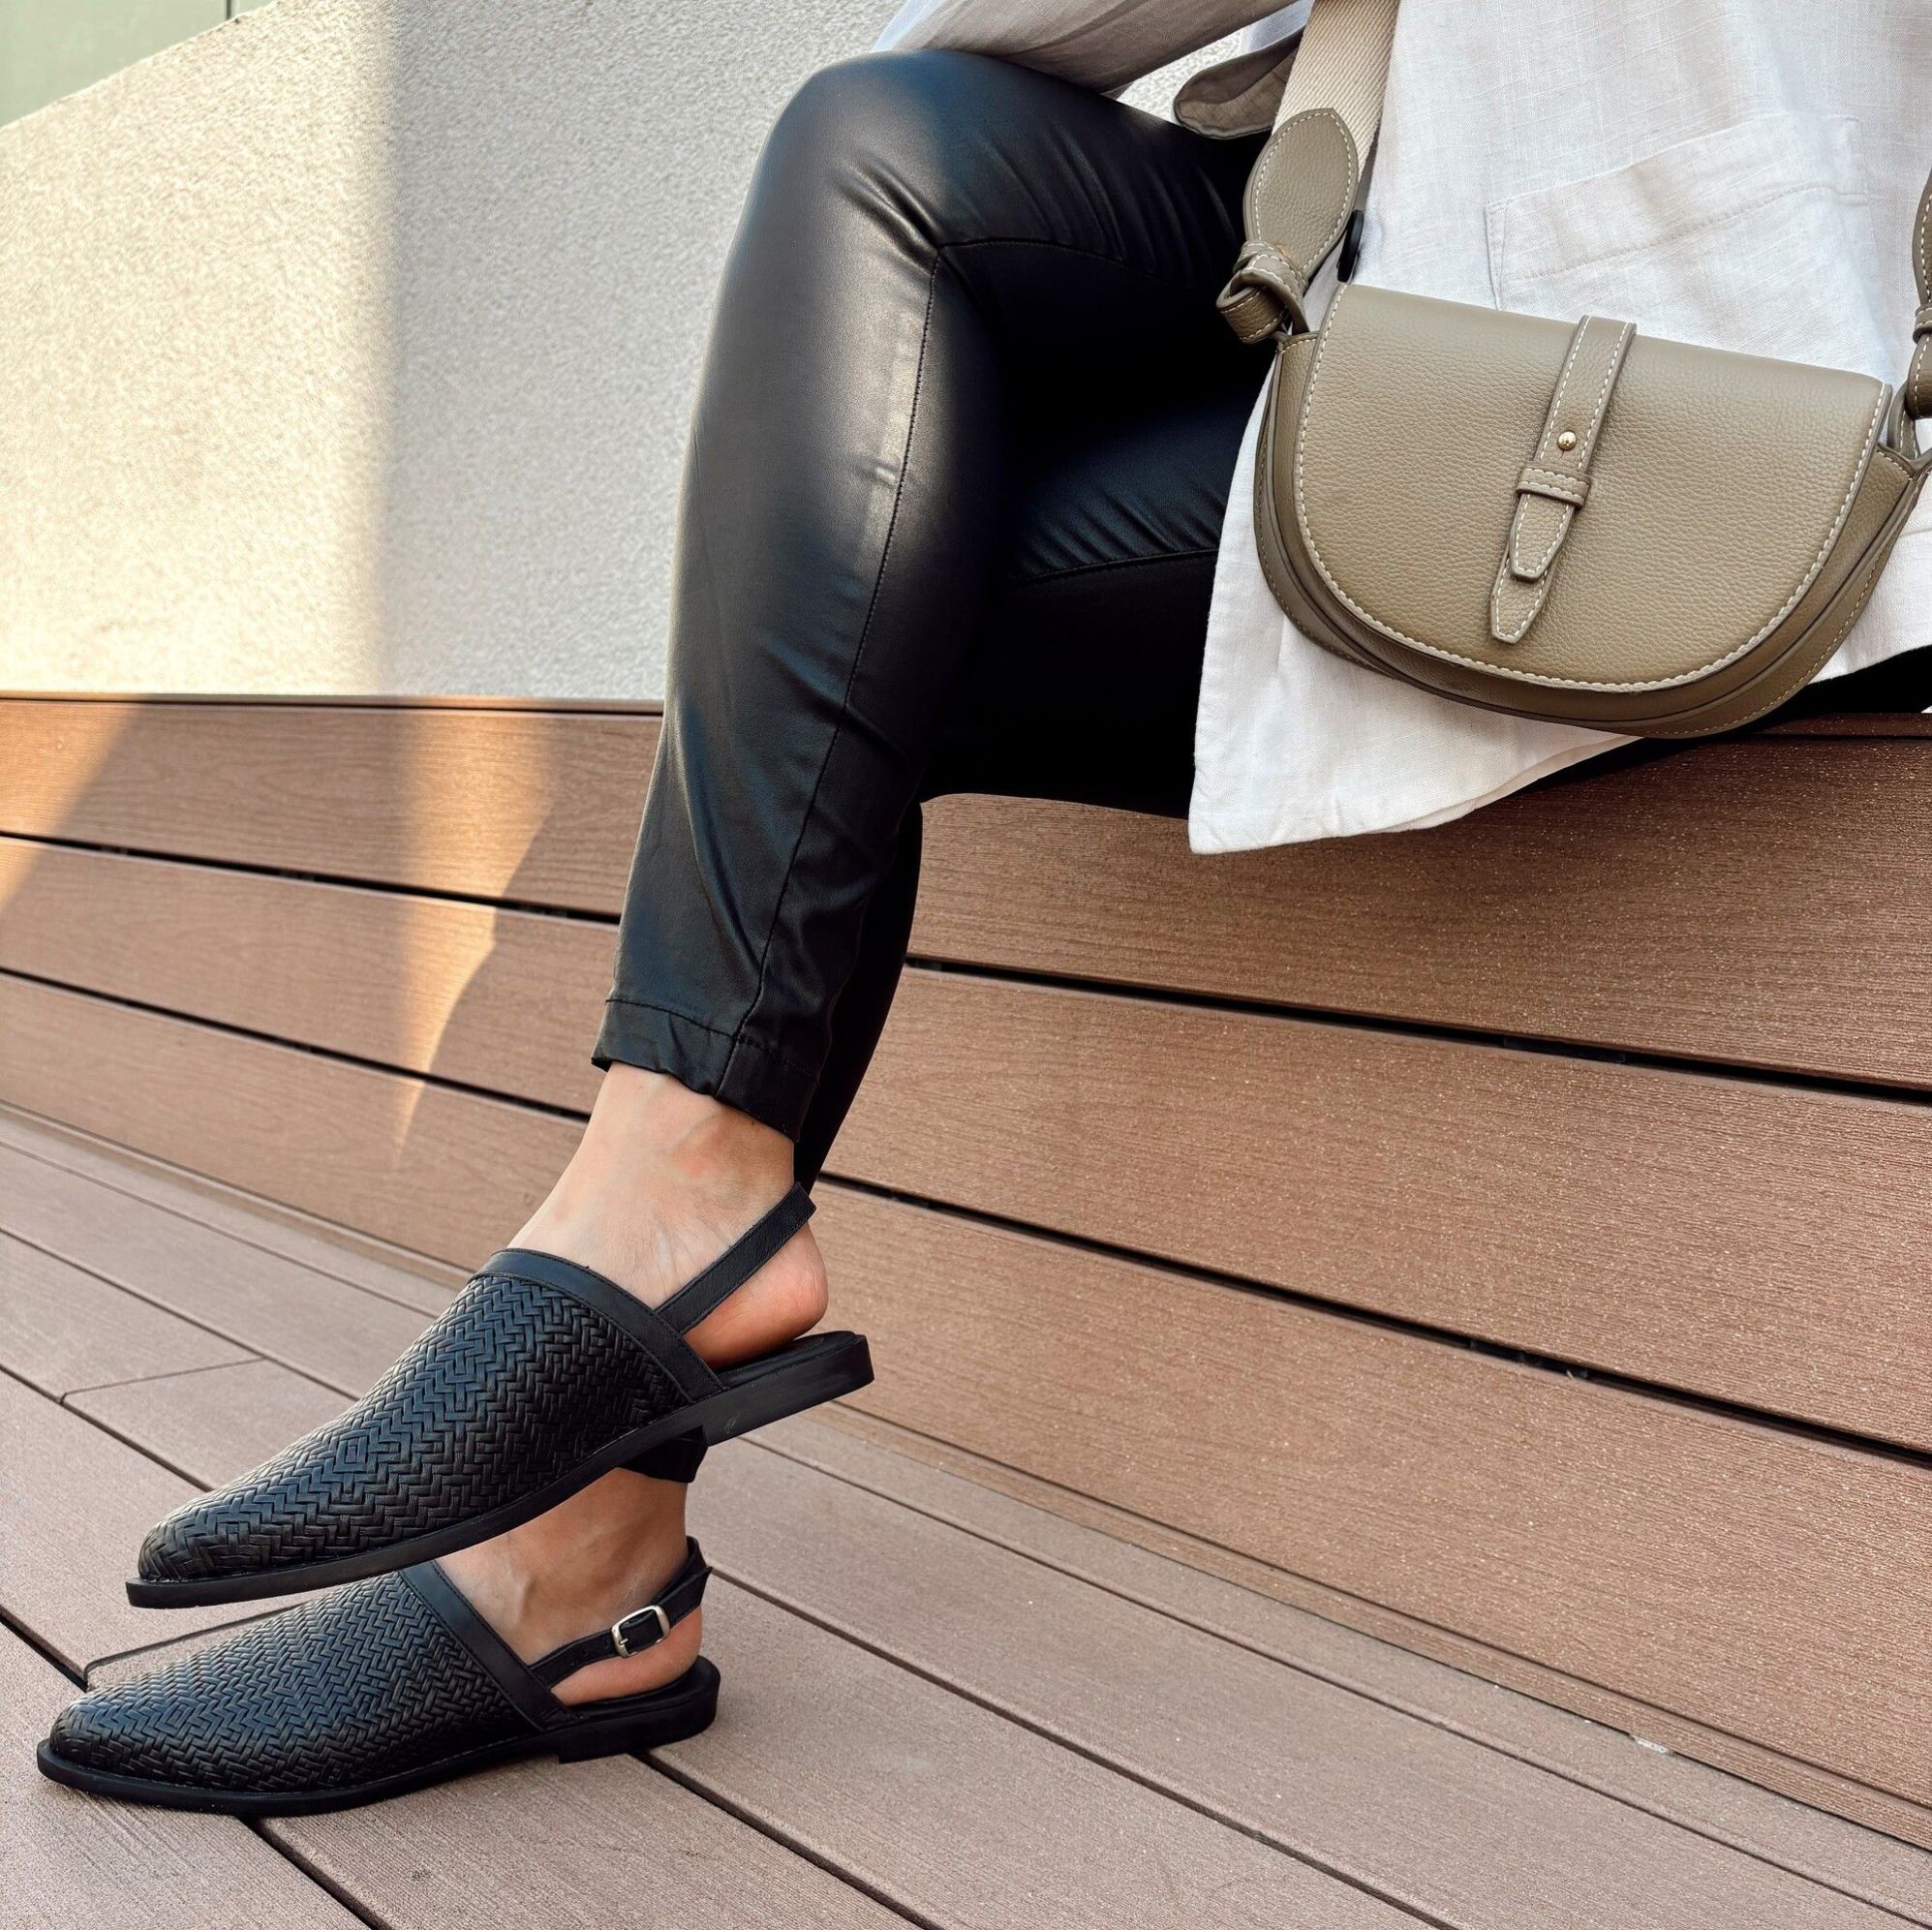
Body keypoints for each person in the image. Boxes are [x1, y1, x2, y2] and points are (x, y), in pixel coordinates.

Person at [37, 0, 1930, 1813]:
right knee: (877, 158)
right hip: (1407, 251)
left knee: (854, 578)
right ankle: (649, 1267)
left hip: (1725, 401)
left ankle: (588, 1520)